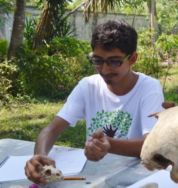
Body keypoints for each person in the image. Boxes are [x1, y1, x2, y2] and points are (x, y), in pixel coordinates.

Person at [25, 20, 164, 184]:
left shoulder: (149, 88)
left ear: (132, 58)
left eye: (114, 61)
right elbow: (51, 130)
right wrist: (40, 157)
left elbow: (153, 145)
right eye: (98, 60)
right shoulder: (88, 86)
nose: (104, 70)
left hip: (137, 178)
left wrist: (109, 145)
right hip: (95, 177)